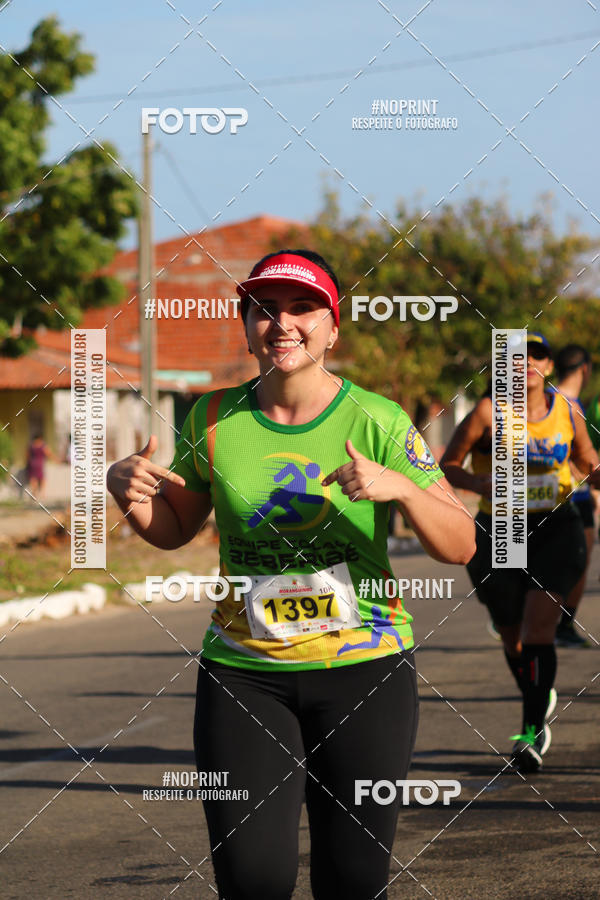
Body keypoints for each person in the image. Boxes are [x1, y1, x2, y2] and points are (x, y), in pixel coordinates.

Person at [107, 248, 475, 900]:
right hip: (245, 677)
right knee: (252, 882)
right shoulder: (213, 418)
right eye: (264, 309)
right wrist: (127, 490)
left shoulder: (379, 420)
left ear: (333, 326)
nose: (282, 323)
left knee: (353, 881)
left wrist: (404, 489)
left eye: (303, 308)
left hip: (366, 675)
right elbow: (175, 528)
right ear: (245, 324)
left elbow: (463, 545)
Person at [441, 332, 600, 774]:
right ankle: (537, 695)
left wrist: (590, 475)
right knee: (511, 635)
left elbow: (588, 462)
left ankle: (530, 730)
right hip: (503, 529)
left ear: (548, 367)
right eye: (514, 355)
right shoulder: (487, 412)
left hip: (556, 526)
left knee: (538, 629)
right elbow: (448, 465)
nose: (525, 361)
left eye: (536, 354)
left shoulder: (566, 410)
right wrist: (478, 483)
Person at [550, 345, 595, 646]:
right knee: (578, 562)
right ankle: (563, 626)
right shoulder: (569, 405)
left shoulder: (549, 400)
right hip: (570, 498)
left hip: (558, 497)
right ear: (585, 369)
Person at [25, 432, 53, 497]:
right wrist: (56, 460)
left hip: (32, 463)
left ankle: (34, 492)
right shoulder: (43, 445)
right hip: (40, 464)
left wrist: (27, 463)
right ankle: (42, 493)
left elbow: (27, 455)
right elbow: (48, 454)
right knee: (42, 478)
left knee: (33, 478)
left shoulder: (31, 445)